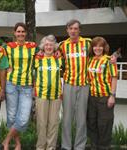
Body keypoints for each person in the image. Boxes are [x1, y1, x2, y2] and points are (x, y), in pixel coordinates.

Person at [2, 22, 38, 150]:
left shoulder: (33, 46)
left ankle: (6, 140)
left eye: (23, 31)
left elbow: (45, 52)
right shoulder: (8, 47)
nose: (21, 34)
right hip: (11, 84)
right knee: (12, 116)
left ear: (26, 33)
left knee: (23, 118)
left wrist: (56, 52)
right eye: (18, 31)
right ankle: (17, 143)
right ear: (14, 33)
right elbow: (1, 60)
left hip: (27, 86)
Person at [59, 19, 91, 150]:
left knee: (81, 118)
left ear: (79, 30)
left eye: (75, 28)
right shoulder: (62, 45)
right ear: (67, 30)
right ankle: (66, 146)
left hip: (84, 84)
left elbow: (101, 52)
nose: (73, 31)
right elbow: (55, 60)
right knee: (66, 118)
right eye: (70, 28)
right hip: (68, 85)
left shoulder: (88, 43)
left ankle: (79, 147)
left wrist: (111, 59)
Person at [87, 37, 117, 150]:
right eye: (95, 45)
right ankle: (94, 146)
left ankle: (104, 147)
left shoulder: (109, 60)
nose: (97, 48)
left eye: (100, 46)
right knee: (92, 123)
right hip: (92, 97)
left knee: (104, 125)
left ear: (104, 47)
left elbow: (114, 78)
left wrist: (112, 96)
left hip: (105, 97)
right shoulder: (90, 60)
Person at [34, 35, 62, 150]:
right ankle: (40, 147)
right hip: (41, 95)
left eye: (51, 45)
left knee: (53, 124)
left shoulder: (59, 58)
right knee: (41, 123)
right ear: (42, 46)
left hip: (56, 95)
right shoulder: (37, 58)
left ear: (54, 46)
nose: (49, 47)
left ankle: (51, 147)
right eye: (46, 44)